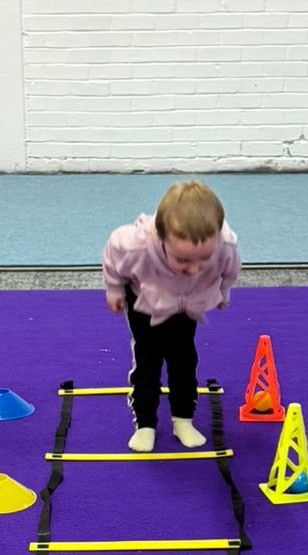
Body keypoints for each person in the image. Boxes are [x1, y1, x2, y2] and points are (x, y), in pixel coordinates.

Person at [102, 181, 240, 450]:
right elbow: (113, 257)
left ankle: (183, 419)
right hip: (144, 298)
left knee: (184, 358)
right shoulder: (134, 245)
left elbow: (230, 270)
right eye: (183, 260)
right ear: (162, 238)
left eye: (204, 259)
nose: (194, 268)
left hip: (188, 301)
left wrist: (223, 291)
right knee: (148, 358)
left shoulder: (225, 245)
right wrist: (114, 289)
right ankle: (145, 424)